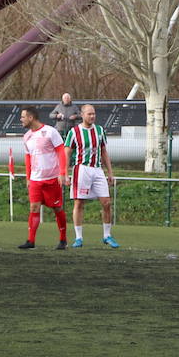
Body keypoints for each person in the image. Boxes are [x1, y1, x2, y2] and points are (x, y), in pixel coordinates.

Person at [63, 103, 118, 248]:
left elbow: (104, 152)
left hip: (97, 169)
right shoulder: (74, 132)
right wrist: (65, 173)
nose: (92, 116)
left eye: (93, 113)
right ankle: (78, 238)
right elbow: (67, 153)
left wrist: (110, 173)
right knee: (79, 203)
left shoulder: (99, 130)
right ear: (82, 115)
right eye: (89, 114)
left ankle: (107, 236)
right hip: (81, 169)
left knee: (106, 202)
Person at [17, 105, 69, 250]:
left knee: (57, 208)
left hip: (52, 178)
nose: (21, 119)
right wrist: (28, 177)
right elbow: (28, 157)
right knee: (34, 207)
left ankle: (63, 240)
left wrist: (62, 173)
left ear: (31, 117)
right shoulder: (27, 136)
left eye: (23, 116)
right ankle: (30, 241)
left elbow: (61, 152)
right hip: (35, 179)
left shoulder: (50, 132)